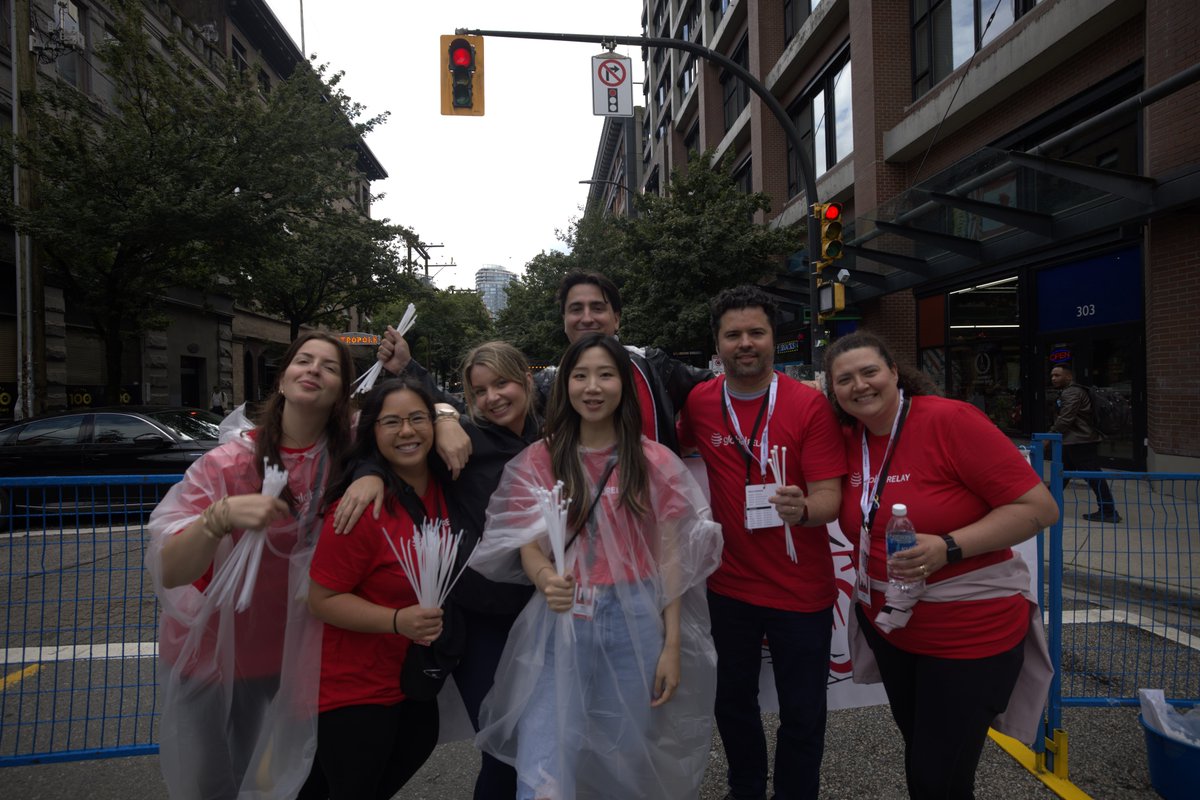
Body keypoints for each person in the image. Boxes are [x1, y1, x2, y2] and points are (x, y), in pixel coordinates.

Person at [471, 333, 723, 800]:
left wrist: (671, 645)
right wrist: (546, 578)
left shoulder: (654, 461)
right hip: (560, 619)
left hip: (637, 619)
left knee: (623, 751)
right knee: (543, 761)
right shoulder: (540, 459)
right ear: (565, 384)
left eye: (606, 375)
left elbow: (671, 556)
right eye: (581, 375)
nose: (593, 387)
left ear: (624, 386)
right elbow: (528, 541)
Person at [825, 331, 1058, 800]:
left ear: (895, 372)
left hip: (969, 633)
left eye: (870, 371)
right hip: (894, 628)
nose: (860, 386)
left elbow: (1039, 508)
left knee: (936, 778)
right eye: (844, 379)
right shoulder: (849, 438)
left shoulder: (950, 420)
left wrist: (948, 547)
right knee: (925, 758)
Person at [145, 332, 354, 800]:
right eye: (303, 360)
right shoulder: (227, 464)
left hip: (297, 655)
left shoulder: (351, 460)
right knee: (213, 784)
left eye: (330, 366)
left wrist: (444, 420)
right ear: (282, 380)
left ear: (343, 392)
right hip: (216, 657)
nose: (314, 369)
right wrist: (216, 519)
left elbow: (412, 423)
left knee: (289, 779)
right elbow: (171, 569)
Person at [333, 341, 541, 800]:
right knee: (503, 746)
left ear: (527, 378)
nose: (492, 398)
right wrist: (367, 471)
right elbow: (398, 445)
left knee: (546, 739)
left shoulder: (552, 437)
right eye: (479, 390)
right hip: (481, 619)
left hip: (546, 611)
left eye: (502, 383)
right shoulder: (465, 441)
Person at [677, 285, 846, 800]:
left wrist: (805, 509)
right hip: (729, 588)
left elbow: (830, 499)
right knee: (732, 702)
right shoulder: (701, 402)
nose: (745, 343)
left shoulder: (808, 406)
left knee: (803, 712)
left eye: (756, 332)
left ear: (775, 338)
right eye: (733, 334)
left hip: (801, 591)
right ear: (718, 342)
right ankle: (745, 788)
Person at [301, 378, 448, 799]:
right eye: (391, 422)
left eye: (418, 418)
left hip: (413, 676)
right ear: (372, 432)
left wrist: (451, 417)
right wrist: (398, 621)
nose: (407, 431)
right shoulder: (361, 507)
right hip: (355, 687)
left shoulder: (445, 485)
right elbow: (321, 599)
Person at [377, 271, 712, 454]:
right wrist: (412, 372)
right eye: (575, 309)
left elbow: (717, 394)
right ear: (564, 320)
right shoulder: (550, 384)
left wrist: (683, 441)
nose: (587, 318)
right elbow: (481, 411)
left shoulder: (652, 365)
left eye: (597, 307)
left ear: (617, 318)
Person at [1050, 364, 1120, 522]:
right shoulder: (1071, 391)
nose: (1053, 378)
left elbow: (1066, 418)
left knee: (1093, 476)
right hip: (1073, 441)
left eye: (1057, 375)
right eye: (1052, 376)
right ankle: (1046, 505)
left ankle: (1108, 511)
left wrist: (1049, 436)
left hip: (1080, 441)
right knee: (1060, 475)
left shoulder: (1072, 392)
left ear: (1068, 377)